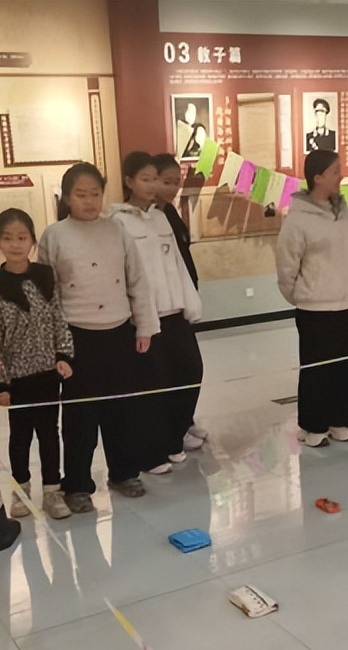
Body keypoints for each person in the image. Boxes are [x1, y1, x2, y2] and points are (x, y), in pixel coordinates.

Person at [37, 162, 159, 514]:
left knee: (123, 410)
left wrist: (144, 327)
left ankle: (124, 472)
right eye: (81, 195)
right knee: (80, 417)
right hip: (76, 337)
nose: (89, 201)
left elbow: (137, 280)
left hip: (119, 332)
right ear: (66, 197)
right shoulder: (54, 235)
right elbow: (47, 295)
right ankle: (77, 484)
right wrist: (54, 345)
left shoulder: (116, 229)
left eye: (95, 194)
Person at [110, 152, 203, 470]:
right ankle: (152, 453)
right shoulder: (117, 222)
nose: (152, 186)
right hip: (146, 318)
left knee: (190, 373)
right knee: (153, 387)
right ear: (129, 181)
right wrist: (137, 320)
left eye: (155, 179)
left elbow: (177, 264)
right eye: (145, 179)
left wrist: (191, 305)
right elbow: (124, 276)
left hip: (175, 312)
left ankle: (174, 438)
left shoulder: (161, 218)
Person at [0, 208, 74, 520]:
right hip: (16, 379)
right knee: (20, 436)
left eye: (22, 237)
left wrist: (63, 355)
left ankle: (52, 491)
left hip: (47, 373)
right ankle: (20, 492)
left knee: (50, 433)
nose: (15, 244)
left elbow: (58, 318)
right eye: (7, 238)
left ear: (32, 241)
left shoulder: (45, 276)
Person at [275, 149, 348, 447]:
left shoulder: (344, 212)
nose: (341, 176)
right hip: (315, 308)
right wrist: (303, 295)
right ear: (317, 177)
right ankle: (314, 426)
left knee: (346, 368)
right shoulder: (298, 219)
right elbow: (287, 265)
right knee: (317, 370)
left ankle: (342, 422)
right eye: (335, 171)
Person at [153, 152, 208, 446]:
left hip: (183, 301)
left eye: (176, 181)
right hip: (162, 308)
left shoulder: (170, 213)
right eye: (166, 181)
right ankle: (173, 430)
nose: (173, 188)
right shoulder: (148, 219)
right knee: (178, 370)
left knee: (190, 368)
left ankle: (184, 420)